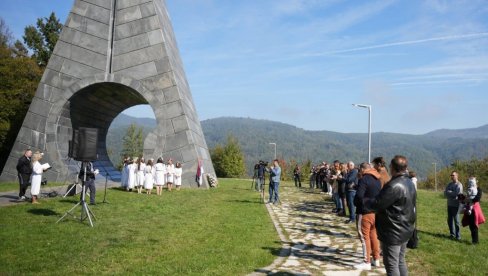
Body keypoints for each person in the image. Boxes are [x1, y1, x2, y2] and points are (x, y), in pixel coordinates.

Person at [374, 155, 416, 276]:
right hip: (405, 228)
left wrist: (366, 201)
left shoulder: (393, 185)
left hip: (393, 231)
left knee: (391, 264)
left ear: (392, 168)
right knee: (400, 261)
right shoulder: (409, 182)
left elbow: (378, 204)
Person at [354, 162, 382, 270]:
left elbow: (359, 195)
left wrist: (356, 202)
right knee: (373, 235)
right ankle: (376, 259)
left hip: (365, 211)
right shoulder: (377, 179)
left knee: (364, 236)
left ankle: (366, 261)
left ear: (362, 169)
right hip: (375, 211)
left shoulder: (364, 179)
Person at [462, 177, 485, 244]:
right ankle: (474, 240)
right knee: (471, 225)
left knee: (474, 224)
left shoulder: (478, 189)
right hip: (469, 208)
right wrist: (463, 198)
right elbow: (466, 196)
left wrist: (469, 200)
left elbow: (477, 199)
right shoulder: (469, 189)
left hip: (475, 209)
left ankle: (475, 241)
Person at [444, 171, 463, 240]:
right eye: (451, 175)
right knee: (449, 220)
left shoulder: (459, 185)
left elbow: (458, 194)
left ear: (457, 176)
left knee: (457, 221)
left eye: (453, 175)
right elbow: (445, 193)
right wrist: (451, 193)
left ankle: (458, 236)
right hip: (449, 204)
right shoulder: (449, 184)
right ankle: (452, 234)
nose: (452, 176)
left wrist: (450, 192)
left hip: (456, 205)